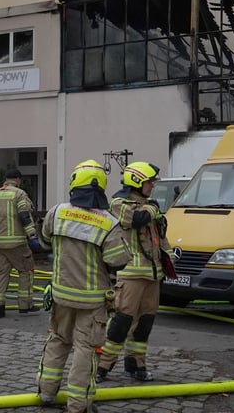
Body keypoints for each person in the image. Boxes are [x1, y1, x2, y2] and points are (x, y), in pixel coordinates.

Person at [37, 160, 131, 413]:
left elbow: (44, 242)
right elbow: (117, 261)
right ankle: (79, 404)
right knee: (86, 349)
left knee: (57, 340)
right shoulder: (108, 222)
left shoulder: (56, 212)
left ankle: (46, 392)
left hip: (60, 295)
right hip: (91, 300)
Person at [95, 161, 172, 383]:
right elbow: (137, 220)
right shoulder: (120, 203)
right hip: (131, 275)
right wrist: (152, 208)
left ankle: (137, 364)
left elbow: (159, 236)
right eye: (149, 182)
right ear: (136, 181)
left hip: (153, 275)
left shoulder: (150, 206)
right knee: (121, 323)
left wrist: (169, 254)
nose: (152, 186)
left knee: (144, 325)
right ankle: (102, 367)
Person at [0, 168, 40, 318]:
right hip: (17, 243)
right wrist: (32, 235)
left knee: (1, 274)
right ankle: (25, 305)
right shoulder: (19, 194)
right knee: (26, 270)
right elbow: (24, 215)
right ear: (18, 180)